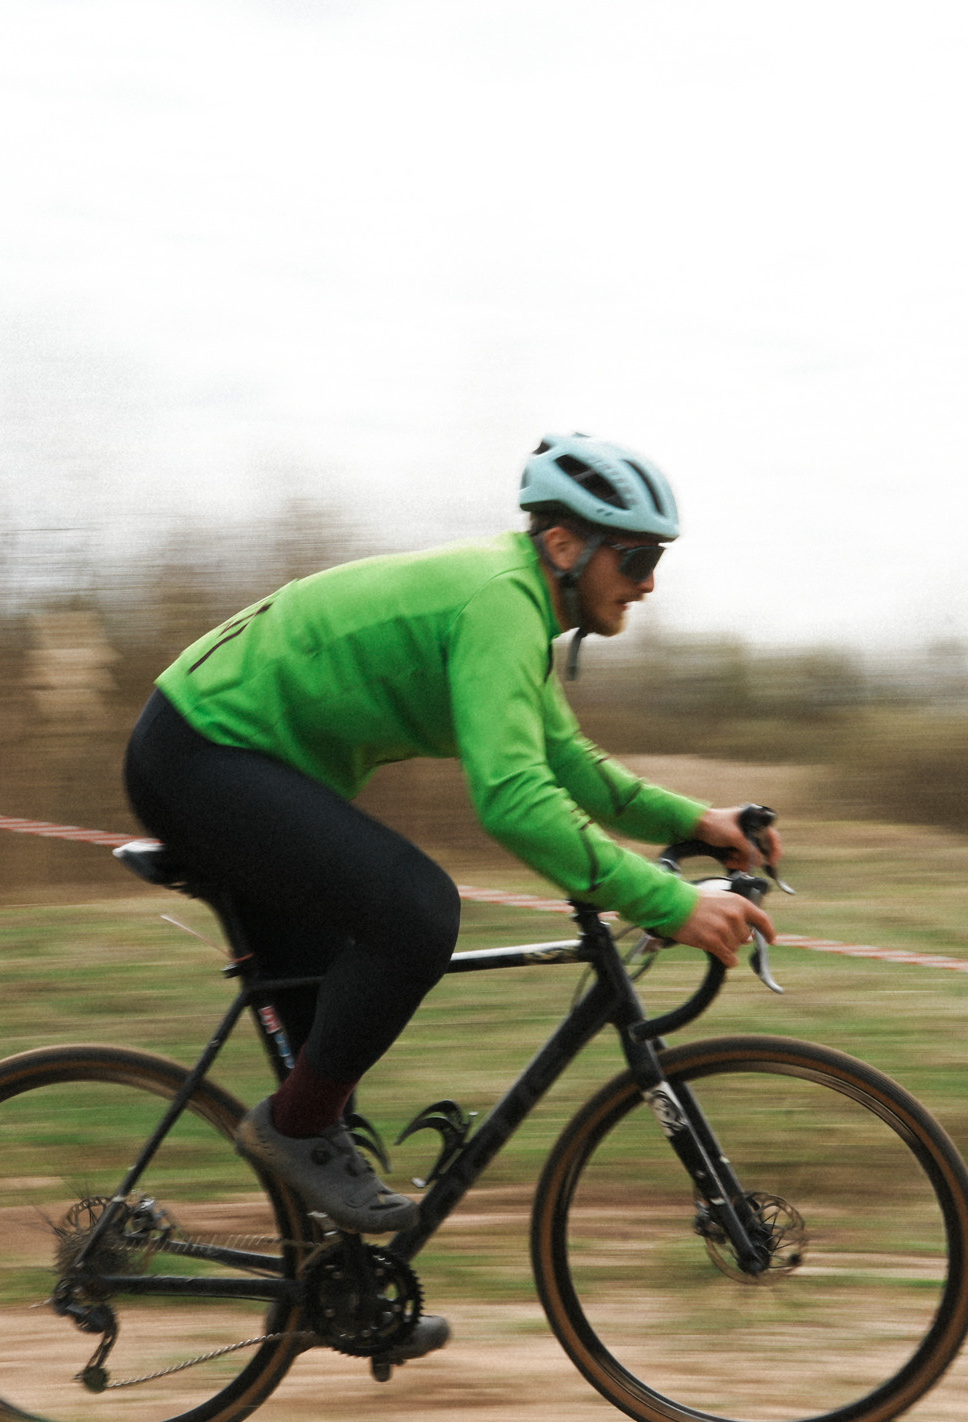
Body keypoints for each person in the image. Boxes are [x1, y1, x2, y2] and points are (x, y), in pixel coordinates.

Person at [120, 434, 780, 1258]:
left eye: (659, 563)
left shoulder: (517, 608)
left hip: (240, 764)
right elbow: (513, 801)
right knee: (418, 912)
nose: (649, 585)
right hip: (200, 753)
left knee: (338, 1036)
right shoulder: (500, 602)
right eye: (638, 558)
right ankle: (295, 1133)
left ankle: (334, 1282)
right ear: (565, 546)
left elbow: (567, 764)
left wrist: (694, 823)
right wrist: (670, 903)